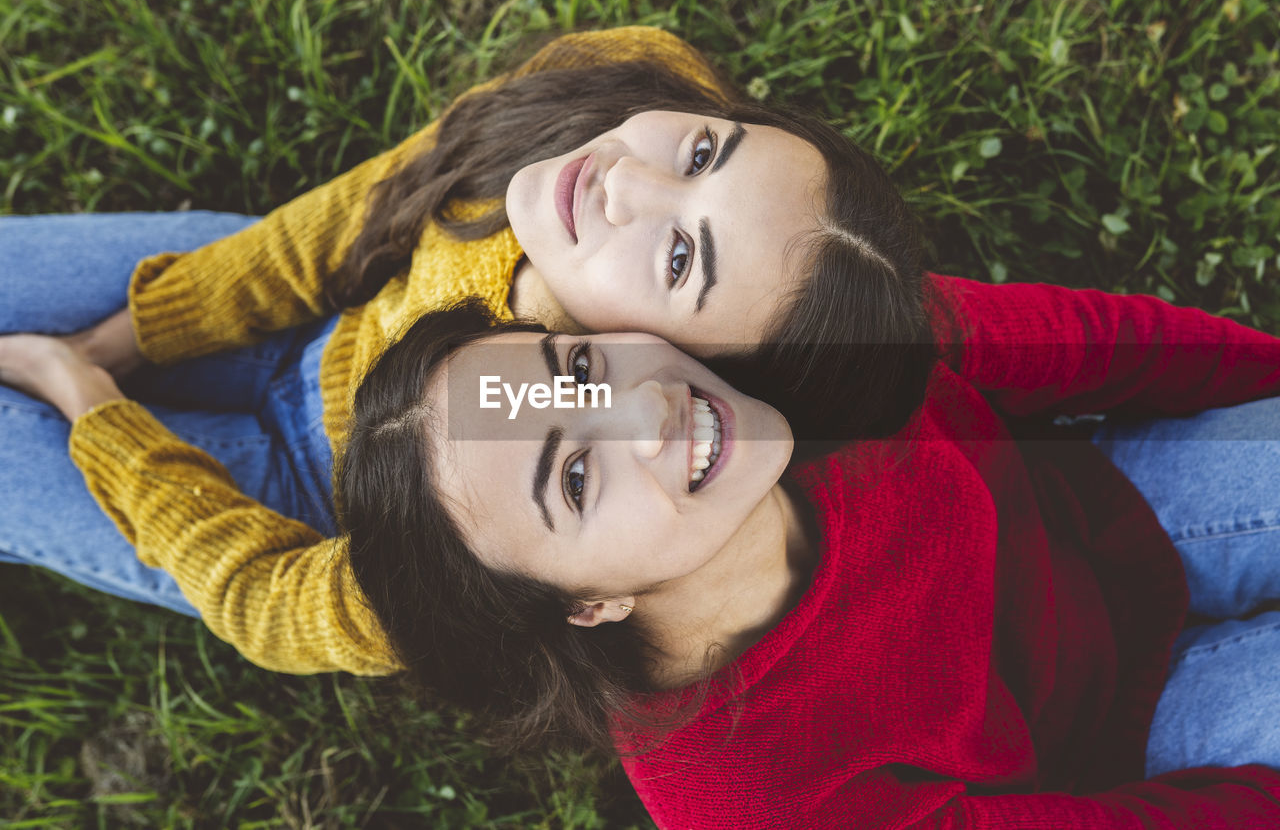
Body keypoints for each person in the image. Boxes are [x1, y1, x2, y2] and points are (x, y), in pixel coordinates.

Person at [0, 26, 934, 674]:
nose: (625, 180)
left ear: (690, 364)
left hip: (294, 487)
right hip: (309, 321)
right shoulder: (633, 86)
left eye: (681, 257)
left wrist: (84, 394)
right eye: (704, 155)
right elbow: (363, 211)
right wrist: (126, 332)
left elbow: (264, 598)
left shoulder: (498, 517)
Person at [338, 284, 1280, 828]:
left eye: (579, 370)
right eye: (579, 479)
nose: (649, 407)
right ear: (586, 604)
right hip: (1125, 742)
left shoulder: (773, 332)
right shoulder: (745, 795)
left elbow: (1057, 339)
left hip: (1104, 509)